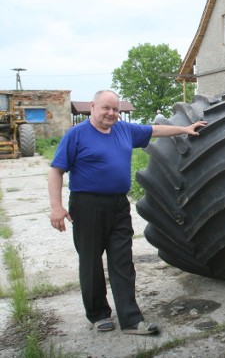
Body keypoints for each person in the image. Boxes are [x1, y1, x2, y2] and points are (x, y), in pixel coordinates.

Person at [48, 90, 207, 335]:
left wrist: (184, 129)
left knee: (122, 261)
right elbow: (56, 170)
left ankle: (131, 320)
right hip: (87, 205)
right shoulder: (76, 135)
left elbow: (154, 130)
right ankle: (99, 315)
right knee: (90, 262)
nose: (111, 113)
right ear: (92, 106)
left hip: (119, 205)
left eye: (115, 109)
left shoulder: (124, 130)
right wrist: (56, 207)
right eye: (106, 108)